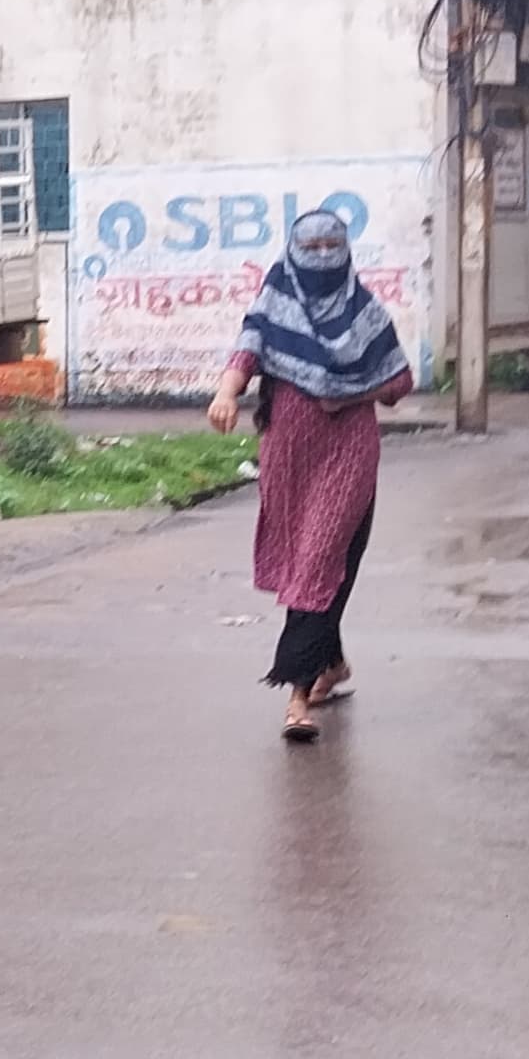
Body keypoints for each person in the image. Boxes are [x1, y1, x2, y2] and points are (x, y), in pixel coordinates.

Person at [207, 208, 413, 743]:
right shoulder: (276, 297)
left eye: (331, 246)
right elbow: (248, 348)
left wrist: (351, 391)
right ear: (294, 251)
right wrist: (227, 392)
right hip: (288, 453)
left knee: (321, 556)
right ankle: (333, 661)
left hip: (348, 450)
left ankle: (297, 696)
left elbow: (400, 380)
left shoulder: (364, 311)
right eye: (311, 246)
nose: (322, 255)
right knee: (307, 562)